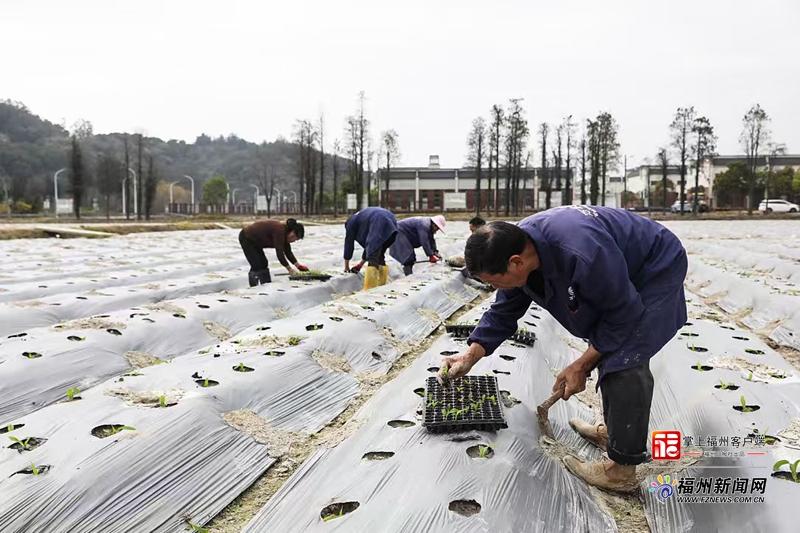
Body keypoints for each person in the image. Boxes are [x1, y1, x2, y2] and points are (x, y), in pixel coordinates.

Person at [438, 205, 688, 492]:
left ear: (516, 263)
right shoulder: (518, 247)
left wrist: (581, 364)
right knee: (605, 342)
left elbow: (623, 315)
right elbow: (503, 312)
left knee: (625, 357)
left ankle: (621, 471)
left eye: (494, 281)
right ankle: (614, 435)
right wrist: (470, 355)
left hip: (653, 268)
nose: (494, 288)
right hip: (613, 270)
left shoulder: (581, 253)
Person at [239, 218, 308, 286]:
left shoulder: (285, 235)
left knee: (263, 263)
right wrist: (290, 269)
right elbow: (280, 254)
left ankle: (265, 284)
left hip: (256, 242)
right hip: (247, 238)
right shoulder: (279, 231)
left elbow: (288, 252)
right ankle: (254, 286)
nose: (293, 240)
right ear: (291, 231)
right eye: (293, 237)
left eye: (295, 240)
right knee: (257, 264)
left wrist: (298, 266)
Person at [343, 207, 399, 290]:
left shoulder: (350, 224)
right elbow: (370, 247)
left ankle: (370, 289)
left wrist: (346, 267)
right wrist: (360, 265)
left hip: (378, 219)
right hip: (391, 222)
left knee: (373, 258)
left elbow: (349, 244)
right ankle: (381, 286)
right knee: (379, 255)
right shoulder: (361, 219)